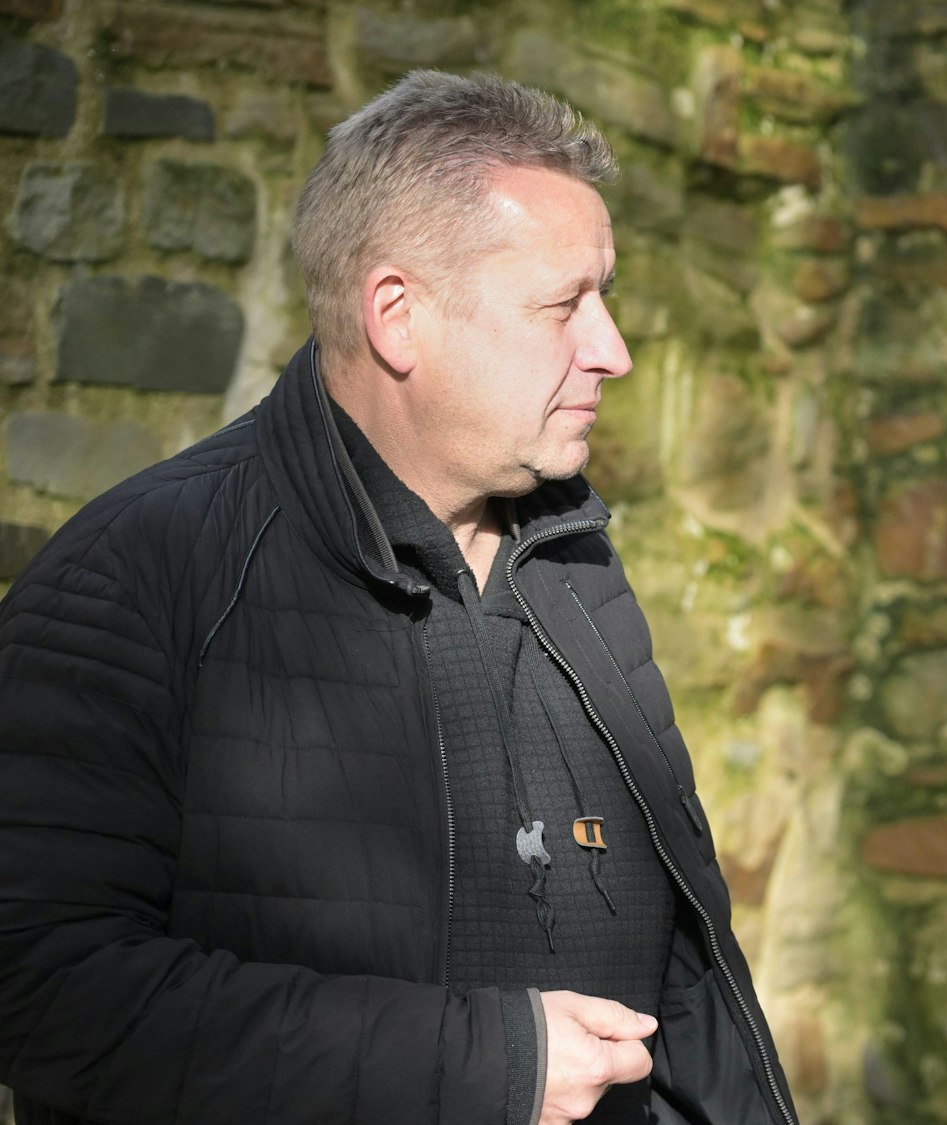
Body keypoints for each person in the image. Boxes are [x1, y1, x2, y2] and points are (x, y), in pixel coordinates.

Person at [0, 71, 795, 1125]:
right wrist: (478, 1064)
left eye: (604, 299)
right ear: (397, 317)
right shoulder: (141, 570)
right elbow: (40, 989)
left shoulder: (575, 563)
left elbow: (681, 976)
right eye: (563, 305)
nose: (613, 352)